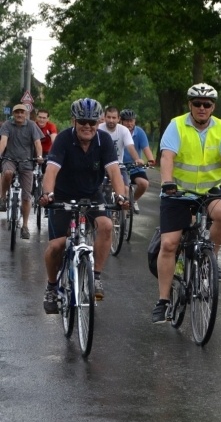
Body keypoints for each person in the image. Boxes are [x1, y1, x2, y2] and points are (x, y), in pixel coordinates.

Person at [152, 83, 221, 323]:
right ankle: (163, 300)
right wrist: (167, 182)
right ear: (190, 105)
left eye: (207, 104)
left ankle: (209, 261)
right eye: (197, 104)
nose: (202, 108)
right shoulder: (177, 125)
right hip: (178, 192)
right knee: (169, 244)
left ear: (213, 107)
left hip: (209, 191)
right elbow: (167, 156)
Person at [39, 98, 130, 312]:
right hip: (62, 195)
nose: (87, 126)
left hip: (92, 194)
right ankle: (52, 287)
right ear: (74, 121)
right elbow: (51, 170)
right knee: (57, 246)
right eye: (82, 122)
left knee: (106, 225)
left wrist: (121, 196)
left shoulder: (104, 140)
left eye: (91, 122)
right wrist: (47, 194)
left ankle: (96, 277)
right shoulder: (63, 139)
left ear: (97, 122)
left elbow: (114, 171)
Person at [0, 104, 45, 239]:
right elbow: (3, 141)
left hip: (27, 161)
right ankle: (2, 197)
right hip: (10, 159)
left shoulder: (32, 125)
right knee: (7, 173)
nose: (19, 115)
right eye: (17, 112)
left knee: (26, 196)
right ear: (13, 114)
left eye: (22, 112)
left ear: (26, 114)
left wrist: (40, 156)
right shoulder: (7, 125)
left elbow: (37, 143)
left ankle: (25, 226)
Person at [119, 109, 156, 213]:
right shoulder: (118, 131)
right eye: (126, 121)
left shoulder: (139, 132)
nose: (129, 123)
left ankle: (133, 200)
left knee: (144, 183)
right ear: (121, 121)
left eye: (132, 121)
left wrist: (150, 160)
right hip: (119, 166)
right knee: (120, 188)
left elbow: (146, 148)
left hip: (134, 167)